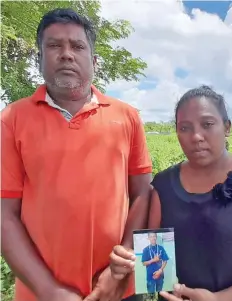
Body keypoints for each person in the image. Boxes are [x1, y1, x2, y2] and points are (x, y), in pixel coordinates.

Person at [1, 8, 152, 301]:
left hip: (118, 289)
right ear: (39, 59)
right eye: (54, 46)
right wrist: (49, 290)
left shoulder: (127, 116)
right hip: (40, 293)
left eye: (77, 46)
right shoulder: (11, 120)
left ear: (93, 61)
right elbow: (4, 215)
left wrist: (119, 268)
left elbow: (142, 195)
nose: (66, 54)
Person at [109, 85, 232, 301]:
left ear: (227, 127)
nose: (196, 136)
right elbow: (154, 256)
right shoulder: (163, 186)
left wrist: (219, 299)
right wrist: (125, 263)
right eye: (185, 128)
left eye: (207, 124)